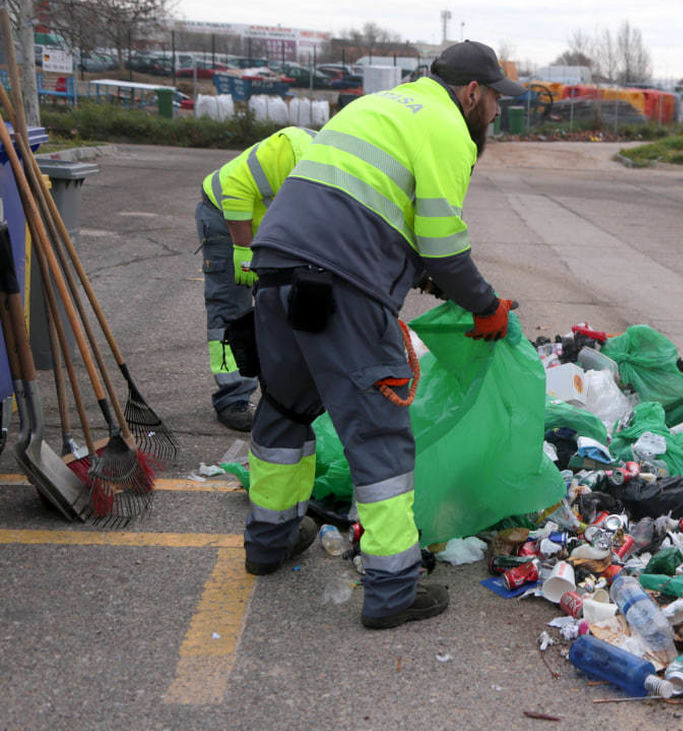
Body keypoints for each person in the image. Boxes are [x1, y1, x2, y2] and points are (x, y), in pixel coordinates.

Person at [242, 40, 524, 629]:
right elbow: (444, 247)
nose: (498, 111)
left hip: (275, 272)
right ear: (472, 93)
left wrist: (445, 286)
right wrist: (485, 306)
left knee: (286, 412)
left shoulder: (381, 107)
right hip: (342, 287)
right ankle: (392, 589)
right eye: (496, 99)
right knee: (380, 437)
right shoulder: (448, 128)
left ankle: (268, 543)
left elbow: (388, 225)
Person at [196, 126, 317, 431]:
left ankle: (284, 395)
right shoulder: (288, 151)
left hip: (270, 230)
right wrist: (242, 249)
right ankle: (232, 397)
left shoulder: (337, 169)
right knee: (230, 308)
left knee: (278, 306)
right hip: (225, 218)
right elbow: (235, 187)